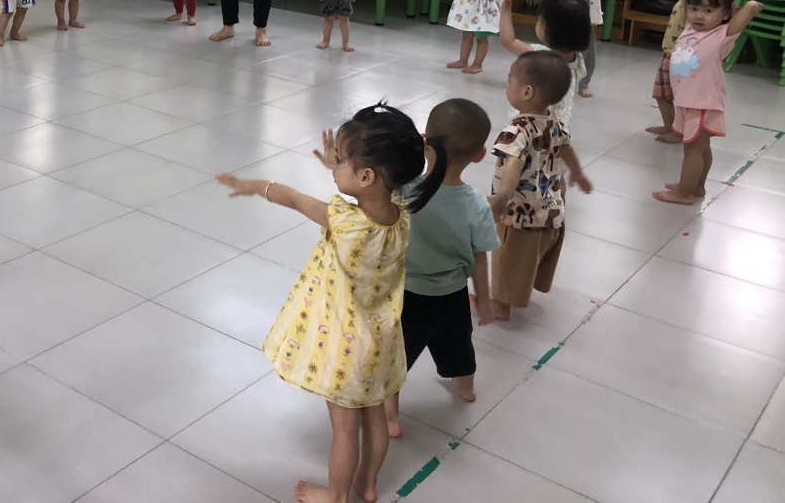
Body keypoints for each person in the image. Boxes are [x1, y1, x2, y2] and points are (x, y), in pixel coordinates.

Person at [217, 104, 448, 503]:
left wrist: (255, 186)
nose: (334, 165)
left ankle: (337, 495)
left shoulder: (346, 221)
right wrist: (340, 168)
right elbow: (370, 190)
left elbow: (293, 198)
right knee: (374, 418)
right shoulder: (400, 214)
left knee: (344, 429)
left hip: (344, 344)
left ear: (366, 176)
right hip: (381, 337)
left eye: (340, 160)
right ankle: (368, 484)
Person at [384, 98, 498, 439]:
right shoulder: (476, 205)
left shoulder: (402, 192)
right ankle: (465, 386)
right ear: (480, 154)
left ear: (425, 142)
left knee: (395, 356)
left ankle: (390, 416)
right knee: (458, 345)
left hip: (407, 294)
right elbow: (479, 257)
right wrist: (485, 299)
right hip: (452, 295)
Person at [488, 50, 593, 321]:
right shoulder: (554, 123)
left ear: (526, 92)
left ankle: (499, 305)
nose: (507, 85)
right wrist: (578, 173)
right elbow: (567, 148)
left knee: (507, 259)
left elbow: (513, 165)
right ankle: (522, 288)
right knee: (530, 256)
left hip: (519, 213)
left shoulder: (516, 130)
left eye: (510, 80)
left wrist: (502, 198)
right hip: (550, 209)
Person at [653, 0, 763, 206]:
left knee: (692, 150)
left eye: (708, 11)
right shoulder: (689, 29)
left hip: (703, 104)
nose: (699, 16)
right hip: (687, 102)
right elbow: (687, 1)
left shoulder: (722, 35)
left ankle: (684, 193)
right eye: (694, 9)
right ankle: (697, 186)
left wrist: (751, 6)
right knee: (701, 149)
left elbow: (743, 17)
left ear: (726, 14)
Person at [647, 0, 722, 144]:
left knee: (680, 97)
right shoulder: (683, 1)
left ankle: (679, 132)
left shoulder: (699, 10)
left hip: (684, 59)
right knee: (662, 94)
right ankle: (670, 126)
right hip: (669, 54)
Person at [498, 0, 592, 135]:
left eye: (540, 21)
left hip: (529, 127)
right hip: (557, 127)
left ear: (551, 29)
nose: (538, 23)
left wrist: (505, 11)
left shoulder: (539, 57)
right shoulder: (575, 58)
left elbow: (508, 41)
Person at [547, 0, 612, 97]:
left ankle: (583, 84)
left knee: (587, 57)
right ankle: (558, 81)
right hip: (564, 26)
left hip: (586, 27)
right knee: (559, 52)